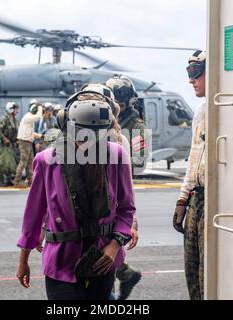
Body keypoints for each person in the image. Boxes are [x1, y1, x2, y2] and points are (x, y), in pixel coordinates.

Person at [16, 90, 136, 300]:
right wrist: (23, 260)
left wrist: (115, 246)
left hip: (102, 259)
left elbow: (126, 209)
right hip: (61, 260)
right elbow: (34, 213)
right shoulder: (47, 160)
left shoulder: (116, 155)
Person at [80, 83, 141, 300]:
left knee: (99, 285)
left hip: (105, 225)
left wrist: (130, 223)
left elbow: (126, 189)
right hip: (82, 224)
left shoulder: (118, 142)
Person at [173, 50, 207, 300]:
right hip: (196, 200)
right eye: (189, 73)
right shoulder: (201, 112)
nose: (191, 80)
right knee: (192, 271)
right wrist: (182, 200)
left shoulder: (226, 110)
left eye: (196, 73)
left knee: (209, 274)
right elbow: (194, 159)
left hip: (214, 203)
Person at [105, 75, 149, 175]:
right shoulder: (102, 123)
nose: (116, 108)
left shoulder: (138, 128)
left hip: (120, 182)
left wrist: (110, 165)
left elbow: (139, 162)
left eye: (120, 105)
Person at [13, 99, 44, 187]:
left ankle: (31, 181)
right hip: (24, 142)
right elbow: (38, 117)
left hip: (28, 141)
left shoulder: (29, 118)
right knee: (23, 161)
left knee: (30, 162)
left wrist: (40, 136)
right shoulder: (28, 117)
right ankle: (17, 181)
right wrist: (40, 107)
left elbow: (31, 133)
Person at [0, 101, 19, 187]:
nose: (17, 111)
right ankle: (0, 181)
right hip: (3, 145)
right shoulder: (4, 119)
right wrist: (4, 139)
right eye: (15, 109)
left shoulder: (15, 121)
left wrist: (16, 141)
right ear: (10, 109)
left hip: (11, 145)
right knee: (1, 163)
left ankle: (8, 180)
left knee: (10, 163)